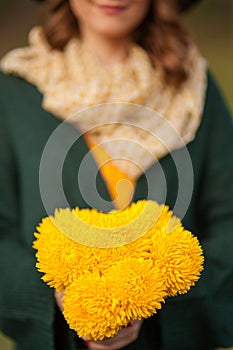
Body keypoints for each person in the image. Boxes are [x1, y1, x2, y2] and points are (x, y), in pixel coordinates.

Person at [0, 0, 233, 349]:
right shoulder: (15, 89)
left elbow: (228, 222)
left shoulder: (193, 89)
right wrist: (56, 300)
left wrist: (154, 298)